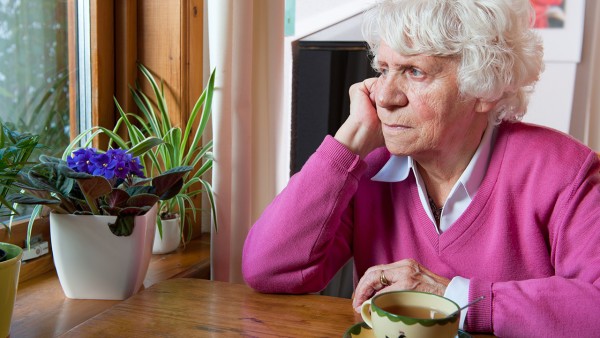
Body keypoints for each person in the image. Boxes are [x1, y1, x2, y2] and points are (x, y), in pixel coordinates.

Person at [242, 0, 600, 336]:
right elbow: (268, 269)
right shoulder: (368, 171)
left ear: (485, 85)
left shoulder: (565, 173)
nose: (384, 96)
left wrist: (456, 297)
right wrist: (347, 143)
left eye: (414, 71)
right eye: (383, 70)